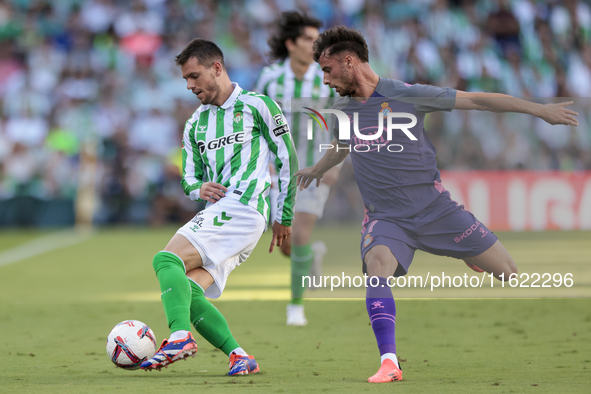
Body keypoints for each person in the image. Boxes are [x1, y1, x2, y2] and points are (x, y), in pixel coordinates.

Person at [295, 26, 578, 383]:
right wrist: (318, 168)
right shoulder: (342, 109)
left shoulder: (407, 95)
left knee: (507, 272)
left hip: (436, 210)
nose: (325, 79)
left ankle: (463, 252)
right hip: (386, 218)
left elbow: (477, 100)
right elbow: (343, 144)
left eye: (327, 69)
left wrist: (539, 110)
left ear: (348, 62)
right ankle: (389, 361)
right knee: (376, 267)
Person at [140, 38, 298, 375]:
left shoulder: (258, 105)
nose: (189, 85)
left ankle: (180, 336)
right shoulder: (195, 124)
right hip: (224, 213)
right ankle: (240, 356)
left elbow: (288, 157)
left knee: (166, 259)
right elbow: (188, 179)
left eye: (194, 76)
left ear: (217, 68)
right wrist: (199, 187)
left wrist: (284, 216)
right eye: (185, 79)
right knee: (190, 289)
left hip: (244, 207)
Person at [254, 11, 339, 326]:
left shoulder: (325, 77)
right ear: (291, 43)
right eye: (308, 40)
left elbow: (341, 120)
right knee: (289, 244)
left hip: (315, 168)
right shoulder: (269, 79)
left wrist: (335, 162)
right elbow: (256, 122)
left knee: (299, 234)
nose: (315, 45)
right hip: (277, 172)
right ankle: (311, 258)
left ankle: (295, 308)